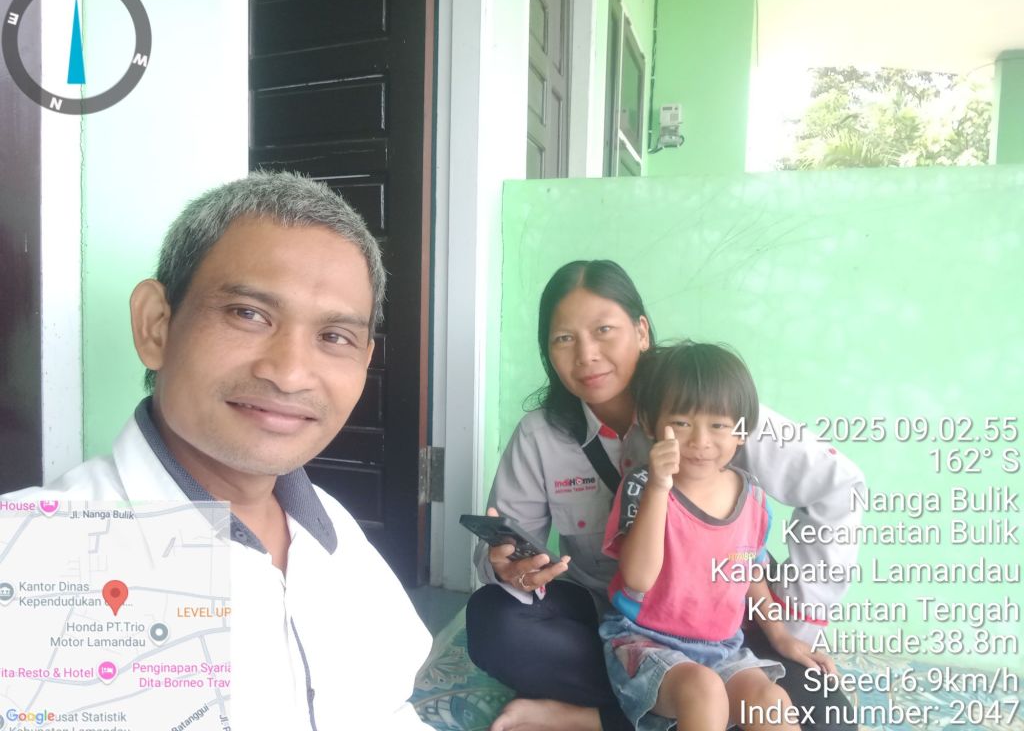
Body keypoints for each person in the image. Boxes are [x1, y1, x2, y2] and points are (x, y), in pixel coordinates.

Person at [3, 172, 432, 729]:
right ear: (157, 326)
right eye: (248, 314)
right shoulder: (35, 560)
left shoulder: (335, 531)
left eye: (334, 337)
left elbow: (387, 710)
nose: (290, 373)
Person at [466, 260, 862, 731]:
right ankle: (677, 705)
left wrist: (790, 627)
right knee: (495, 624)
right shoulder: (540, 436)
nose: (587, 355)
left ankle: (599, 718)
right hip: (621, 627)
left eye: (604, 330)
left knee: (826, 718)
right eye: (564, 339)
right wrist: (510, 569)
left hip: (722, 623)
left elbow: (838, 486)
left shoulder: (711, 405)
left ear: (641, 331)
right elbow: (505, 555)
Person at [601, 341, 835, 731]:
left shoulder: (753, 497)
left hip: (722, 648)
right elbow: (638, 578)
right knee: (704, 692)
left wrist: (781, 636)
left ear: (741, 431)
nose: (701, 441)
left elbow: (750, 572)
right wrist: (659, 487)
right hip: (645, 642)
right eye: (682, 423)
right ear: (651, 422)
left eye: (719, 425)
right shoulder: (643, 486)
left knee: (771, 701)